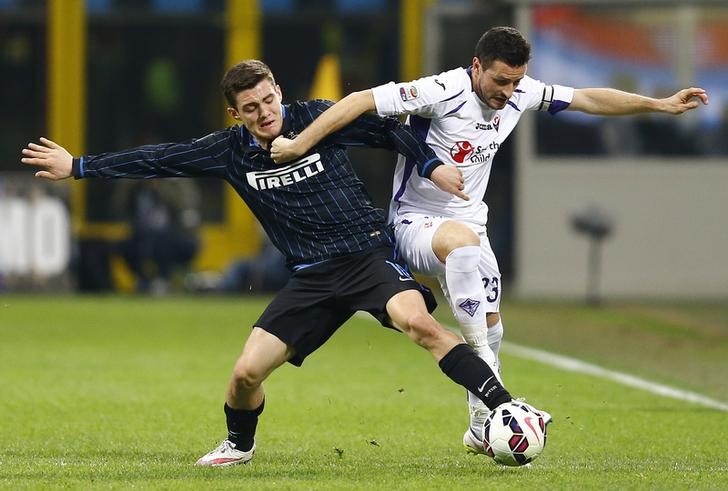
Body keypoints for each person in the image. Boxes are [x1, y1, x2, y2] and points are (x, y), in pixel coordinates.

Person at [20, 59, 546, 467]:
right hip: (311, 278)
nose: (265, 112)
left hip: (366, 255)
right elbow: (161, 157)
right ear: (236, 113)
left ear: (279, 93)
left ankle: (502, 405)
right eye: (252, 108)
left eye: (269, 100)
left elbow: (387, 130)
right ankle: (238, 445)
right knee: (245, 375)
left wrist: (430, 164)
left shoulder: (316, 118)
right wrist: (80, 166)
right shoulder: (230, 151)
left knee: (420, 324)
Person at [269, 26, 709, 455]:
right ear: (477, 66)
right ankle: (493, 383)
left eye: (516, 80)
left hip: (471, 224)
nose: (508, 90)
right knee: (462, 251)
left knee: (494, 323)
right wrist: (298, 144)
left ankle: (480, 428)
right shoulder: (441, 90)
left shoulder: (521, 92)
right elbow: (361, 100)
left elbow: (587, 98)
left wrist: (660, 104)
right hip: (414, 221)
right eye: (500, 80)